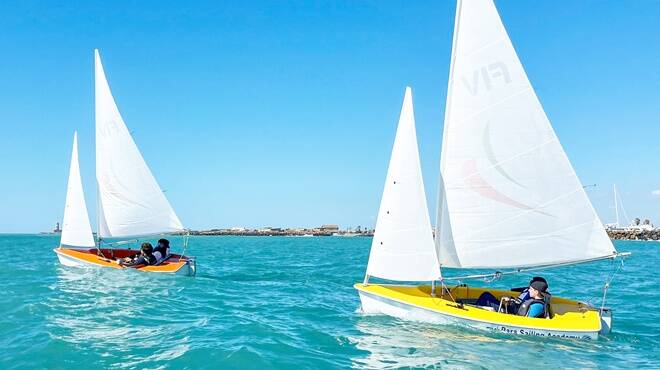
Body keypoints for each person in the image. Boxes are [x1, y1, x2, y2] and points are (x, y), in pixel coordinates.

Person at [474, 276, 548, 314]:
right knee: (486, 295)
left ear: (536, 291)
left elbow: (522, 313)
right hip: (510, 306)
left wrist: (510, 300)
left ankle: (476, 312)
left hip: (509, 312)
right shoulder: (529, 292)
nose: (529, 289)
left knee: (485, 297)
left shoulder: (536, 304)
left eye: (531, 288)